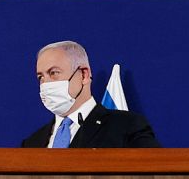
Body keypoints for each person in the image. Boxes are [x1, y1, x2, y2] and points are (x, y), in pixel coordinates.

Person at [20, 40, 157, 148]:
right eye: (41, 77)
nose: (46, 84)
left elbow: (156, 174)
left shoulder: (126, 127)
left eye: (53, 73)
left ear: (84, 75)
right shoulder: (32, 143)